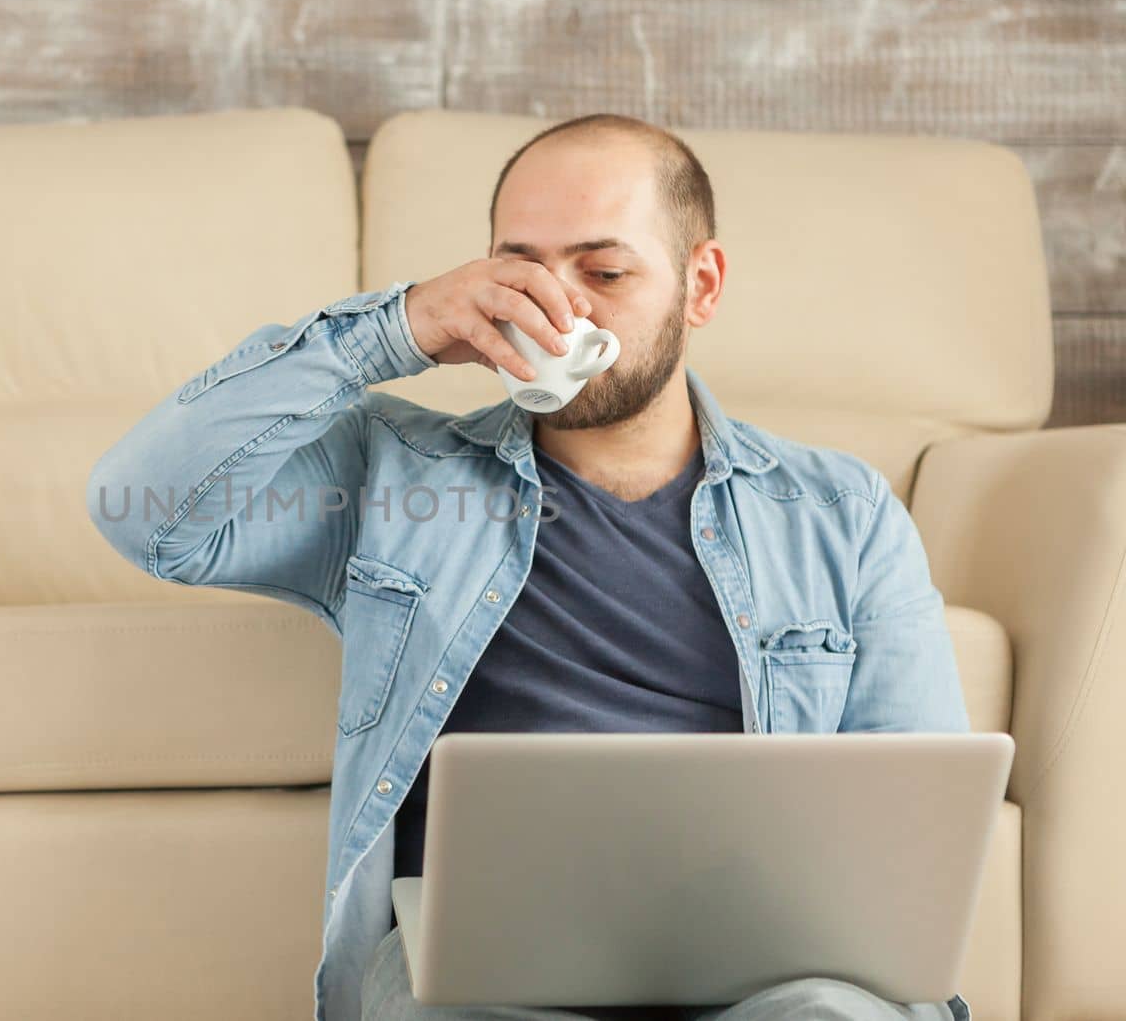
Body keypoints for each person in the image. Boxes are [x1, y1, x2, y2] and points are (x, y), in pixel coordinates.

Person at [86, 113, 972, 1021]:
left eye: (606, 271)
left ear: (700, 286)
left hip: (767, 979)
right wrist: (396, 330)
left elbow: (916, 838)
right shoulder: (395, 473)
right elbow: (144, 512)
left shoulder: (841, 513)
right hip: (485, 973)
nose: (560, 307)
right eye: (524, 268)